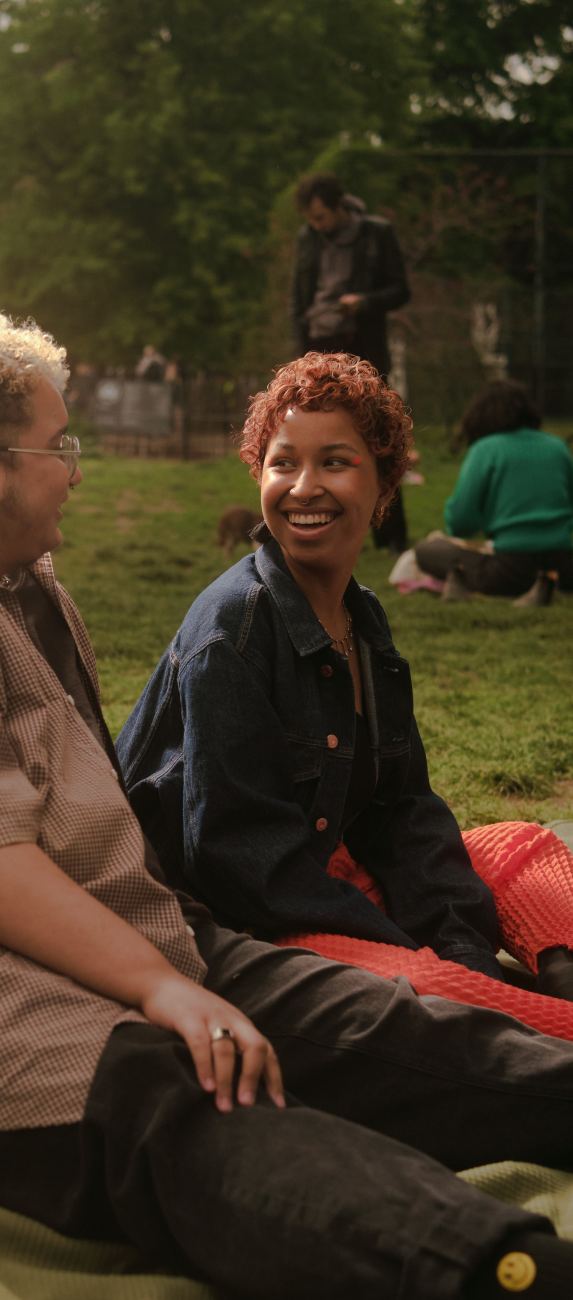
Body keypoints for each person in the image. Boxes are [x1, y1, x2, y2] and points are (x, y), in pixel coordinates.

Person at [0, 316, 573, 1300]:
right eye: (60, 446)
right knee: (166, 1084)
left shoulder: (12, 586)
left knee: (368, 1025)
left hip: (61, 920)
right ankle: (507, 1269)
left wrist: (185, 964)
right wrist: (160, 988)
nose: (76, 470)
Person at [117, 351, 573, 1003]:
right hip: (253, 924)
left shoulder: (365, 621)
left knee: (524, 849)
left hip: (333, 875)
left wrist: (464, 944)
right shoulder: (233, 630)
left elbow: (405, 814)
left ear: (385, 485)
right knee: (445, 999)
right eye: (284, 463)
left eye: (335, 461)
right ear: (259, 475)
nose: (305, 487)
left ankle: (554, 977)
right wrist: (412, 947)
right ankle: (523, 1011)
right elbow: (245, 866)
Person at [292, 171, 411, 554]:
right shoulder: (308, 239)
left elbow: (401, 290)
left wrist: (364, 301)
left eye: (320, 217)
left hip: (363, 348)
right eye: (310, 219)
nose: (316, 225)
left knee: (376, 439)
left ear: (339, 206)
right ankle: (332, 532)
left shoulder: (377, 233)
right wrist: (299, 360)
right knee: (320, 441)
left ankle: (391, 536)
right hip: (318, 346)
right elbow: (299, 299)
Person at [415, 380, 573, 604]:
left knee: (426, 549)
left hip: (509, 569)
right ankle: (546, 583)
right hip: (564, 565)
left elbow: (461, 521)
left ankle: (528, 587)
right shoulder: (557, 446)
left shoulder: (486, 449)